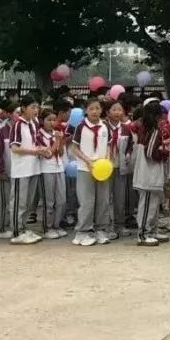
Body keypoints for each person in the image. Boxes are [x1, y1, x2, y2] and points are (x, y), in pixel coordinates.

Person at [70, 99, 111, 246]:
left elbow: (108, 145)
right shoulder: (81, 126)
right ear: (86, 110)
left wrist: (107, 159)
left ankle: (100, 229)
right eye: (91, 108)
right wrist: (87, 160)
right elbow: (74, 148)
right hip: (85, 168)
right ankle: (82, 232)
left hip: (102, 169)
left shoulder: (105, 126)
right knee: (87, 201)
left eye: (97, 108)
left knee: (103, 200)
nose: (94, 111)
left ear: (101, 110)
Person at [132, 101, 170, 247]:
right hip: (148, 173)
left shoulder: (146, 129)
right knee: (147, 204)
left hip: (149, 172)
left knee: (153, 204)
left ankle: (152, 231)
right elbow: (150, 152)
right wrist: (164, 153)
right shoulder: (153, 130)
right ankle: (143, 234)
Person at [9, 95, 45, 245]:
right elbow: (14, 148)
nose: (36, 110)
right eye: (33, 107)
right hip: (21, 169)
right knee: (19, 202)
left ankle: (23, 228)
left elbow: (34, 143)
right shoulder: (18, 124)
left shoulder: (34, 123)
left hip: (33, 167)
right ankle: (16, 232)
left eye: (37, 107)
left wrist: (42, 149)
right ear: (24, 108)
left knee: (29, 202)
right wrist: (34, 151)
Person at [105, 99, 133, 239]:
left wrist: (128, 154)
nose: (117, 112)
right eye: (114, 109)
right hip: (105, 167)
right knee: (106, 198)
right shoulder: (103, 126)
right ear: (107, 112)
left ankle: (119, 225)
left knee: (120, 198)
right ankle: (107, 226)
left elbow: (130, 145)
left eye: (120, 110)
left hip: (120, 167)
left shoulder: (126, 128)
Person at [38, 109, 67, 240]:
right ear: (42, 121)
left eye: (54, 120)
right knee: (48, 201)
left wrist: (60, 141)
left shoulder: (56, 133)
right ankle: (47, 227)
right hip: (46, 169)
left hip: (58, 168)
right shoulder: (39, 135)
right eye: (48, 119)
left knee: (61, 200)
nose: (52, 122)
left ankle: (56, 225)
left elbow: (60, 153)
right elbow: (48, 154)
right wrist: (56, 141)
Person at [0, 100, 16, 238]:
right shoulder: (2, 130)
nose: (19, 115)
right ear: (9, 114)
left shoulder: (22, 128)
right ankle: (2, 228)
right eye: (17, 113)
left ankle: (12, 225)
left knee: (14, 200)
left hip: (18, 172)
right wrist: (0, 170)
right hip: (5, 172)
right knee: (4, 200)